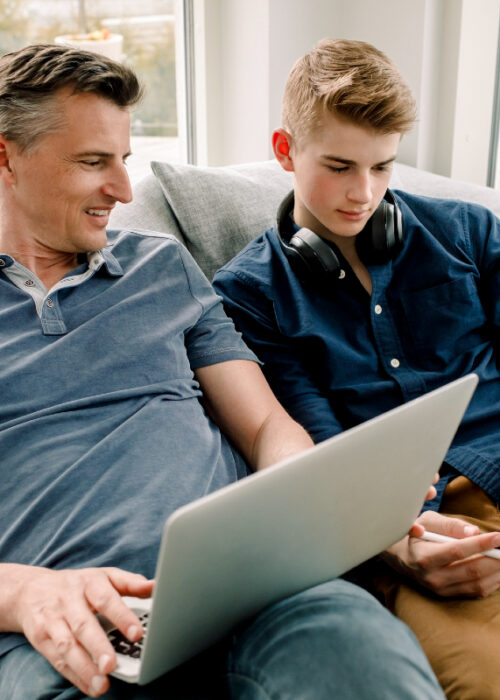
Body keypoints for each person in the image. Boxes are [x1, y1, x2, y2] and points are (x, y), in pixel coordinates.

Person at [0, 43, 445, 700]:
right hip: (74, 626)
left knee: (369, 668)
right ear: (6, 157)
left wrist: (330, 503)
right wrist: (22, 592)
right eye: (93, 163)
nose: (124, 191)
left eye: (124, 160)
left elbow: (266, 423)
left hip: (252, 587)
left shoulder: (161, 266)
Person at [213, 38, 500, 700]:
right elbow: (311, 449)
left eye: (382, 167)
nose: (362, 193)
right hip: (417, 531)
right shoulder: (250, 295)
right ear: (285, 150)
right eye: (339, 166)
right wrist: (393, 540)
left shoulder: (468, 233)